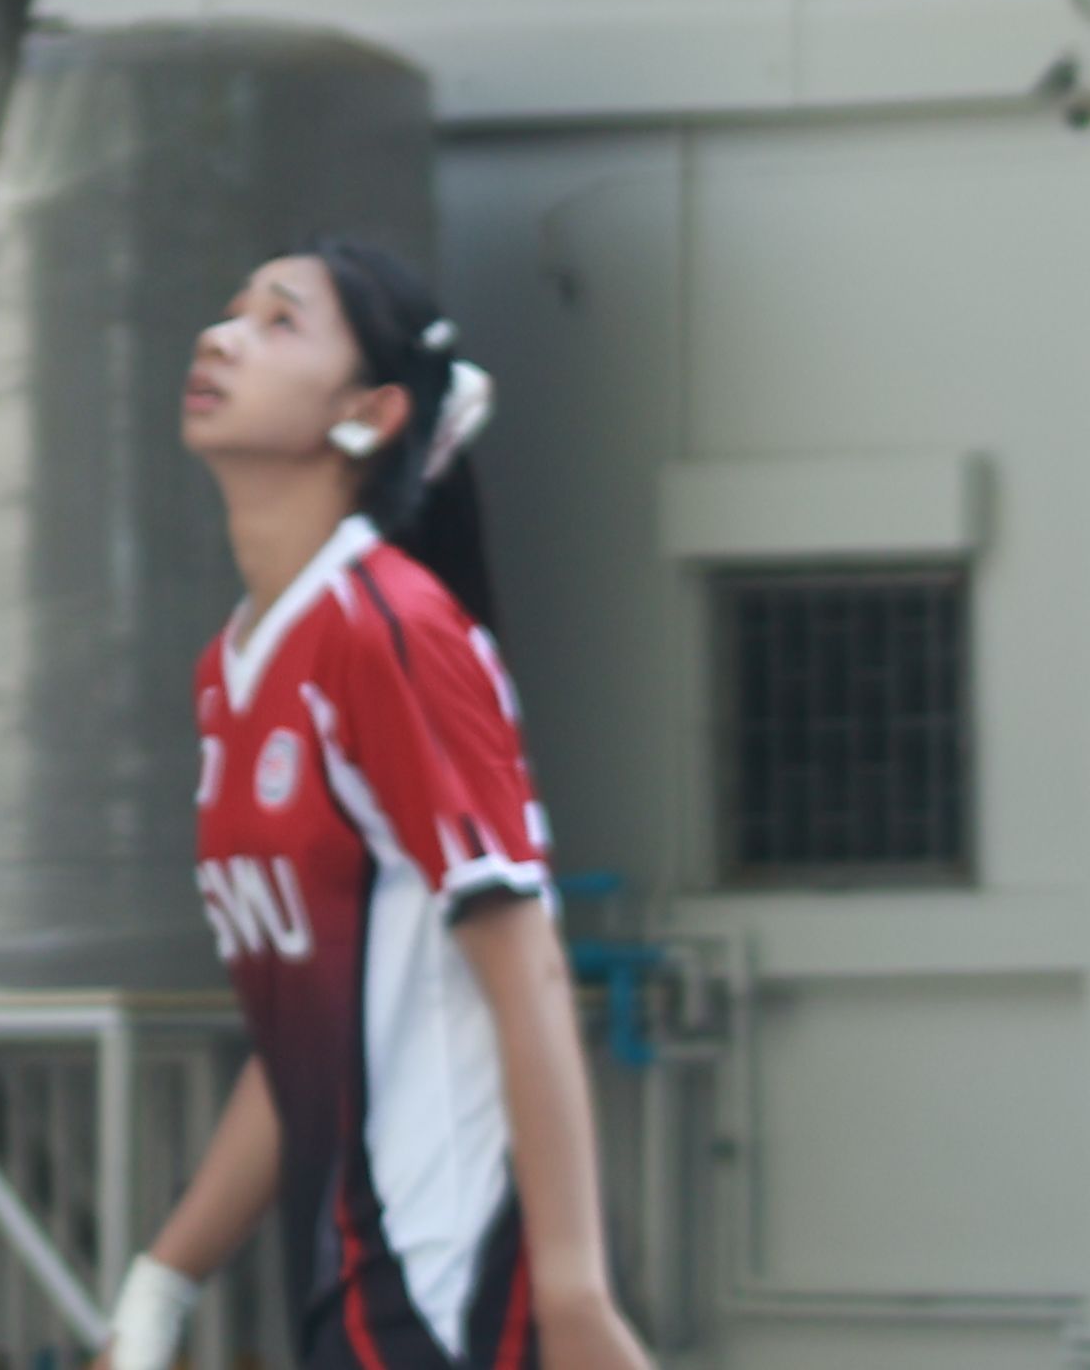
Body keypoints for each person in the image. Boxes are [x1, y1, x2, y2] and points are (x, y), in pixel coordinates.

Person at [100, 244, 646, 1370]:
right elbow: (309, 1032)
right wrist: (162, 1287)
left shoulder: (388, 627)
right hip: (344, 1278)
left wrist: (574, 1289)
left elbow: (529, 968)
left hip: (447, 1278)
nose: (221, 337)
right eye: (228, 310)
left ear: (370, 411)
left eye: (279, 321)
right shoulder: (232, 670)